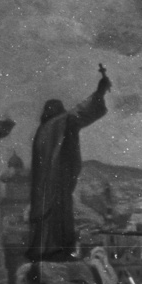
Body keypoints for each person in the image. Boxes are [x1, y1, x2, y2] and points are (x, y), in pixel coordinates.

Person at [28, 64, 111, 260]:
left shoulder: (42, 131)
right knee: (59, 213)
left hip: (44, 185)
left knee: (51, 215)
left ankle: (49, 249)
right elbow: (78, 113)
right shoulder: (58, 123)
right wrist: (100, 90)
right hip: (55, 181)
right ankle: (56, 250)